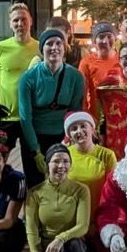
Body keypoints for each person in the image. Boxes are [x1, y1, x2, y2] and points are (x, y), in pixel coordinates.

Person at [25, 143, 93, 252]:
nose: (61, 166)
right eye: (56, 161)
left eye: (65, 161)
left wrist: (61, 238)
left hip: (71, 251)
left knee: (73, 243)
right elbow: (32, 232)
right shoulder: (34, 193)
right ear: (47, 165)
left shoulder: (81, 190)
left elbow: (82, 226)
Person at [18, 27, 88, 174]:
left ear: (64, 48)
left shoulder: (76, 77)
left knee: (61, 181)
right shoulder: (28, 78)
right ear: (42, 49)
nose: (54, 47)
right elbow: (25, 117)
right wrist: (35, 151)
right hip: (34, 136)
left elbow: (74, 112)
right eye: (49, 44)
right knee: (35, 182)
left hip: (62, 137)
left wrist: (67, 140)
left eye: (58, 43)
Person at [0, 4, 41, 173]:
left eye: (23, 19)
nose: (20, 24)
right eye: (16, 20)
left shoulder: (40, 48)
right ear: (10, 23)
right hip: (5, 119)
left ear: (31, 21)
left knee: (33, 167)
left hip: (31, 118)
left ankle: (31, 191)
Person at [61, 111, 117, 212]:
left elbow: (113, 190)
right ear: (69, 135)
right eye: (74, 129)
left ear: (92, 129)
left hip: (99, 213)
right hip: (72, 213)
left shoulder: (107, 155)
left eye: (83, 126)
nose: (79, 131)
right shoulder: (64, 155)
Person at [78, 22, 119, 117]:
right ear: (95, 41)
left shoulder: (123, 60)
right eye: (101, 37)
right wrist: (86, 115)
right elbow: (82, 93)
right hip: (96, 116)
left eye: (109, 36)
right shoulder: (86, 62)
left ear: (115, 38)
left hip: (120, 116)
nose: (105, 41)